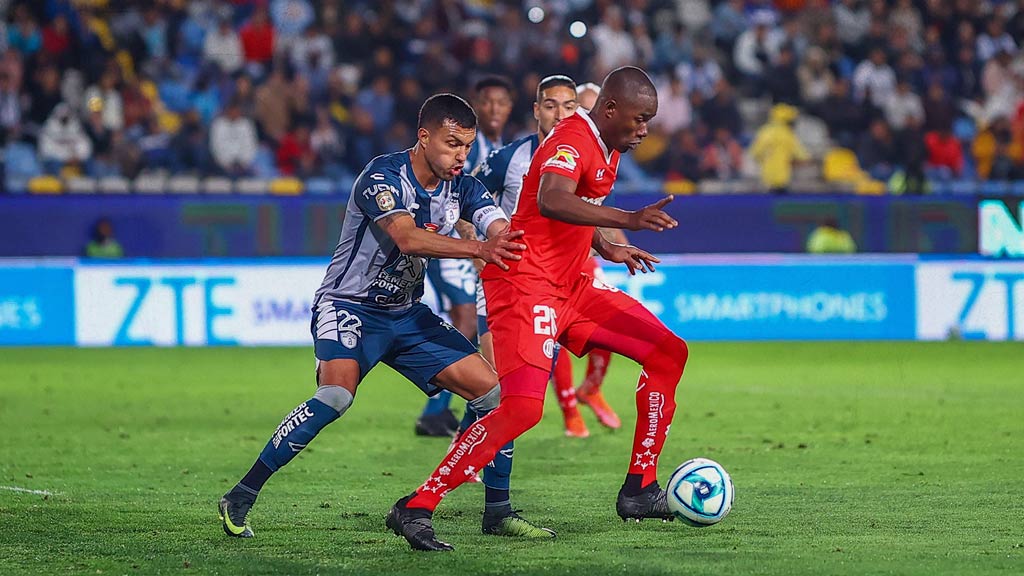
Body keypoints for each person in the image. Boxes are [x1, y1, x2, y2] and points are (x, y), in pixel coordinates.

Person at [218, 94, 553, 541]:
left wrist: (526, 244)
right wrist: (479, 248)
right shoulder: (382, 176)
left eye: (467, 146)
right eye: (452, 144)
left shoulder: (464, 187)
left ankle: (497, 512)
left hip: (406, 314)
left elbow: (500, 229)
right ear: (424, 137)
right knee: (336, 396)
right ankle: (242, 493)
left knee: (494, 396)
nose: (461, 156)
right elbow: (407, 238)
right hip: (348, 306)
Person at [386, 67, 686, 552]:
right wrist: (627, 219)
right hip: (525, 285)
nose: (645, 129)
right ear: (610, 110)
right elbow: (551, 199)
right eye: (639, 119)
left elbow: (572, 207)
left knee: (668, 352)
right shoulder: (572, 137)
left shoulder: (608, 144)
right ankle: (417, 505)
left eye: (648, 120)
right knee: (522, 409)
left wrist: (606, 244)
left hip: (571, 286)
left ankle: (640, 487)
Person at [415, 76, 515, 437]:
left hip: (473, 246)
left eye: (501, 102)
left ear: (510, 108)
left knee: (470, 323)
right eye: (487, 102)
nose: (494, 109)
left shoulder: (497, 146)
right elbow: (455, 195)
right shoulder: (467, 147)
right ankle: (435, 410)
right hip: (451, 244)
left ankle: (442, 408)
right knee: (467, 318)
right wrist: (474, 248)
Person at [750, 103, 810, 194]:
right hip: (783, 179)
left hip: (765, 178)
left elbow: (755, 153)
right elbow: (802, 156)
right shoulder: (787, 134)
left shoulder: (764, 132)